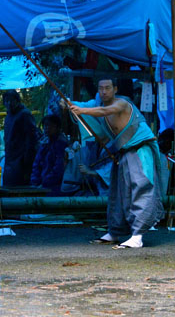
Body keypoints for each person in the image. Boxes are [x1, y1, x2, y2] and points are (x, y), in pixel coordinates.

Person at [69, 77, 167, 249]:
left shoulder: (121, 103)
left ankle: (138, 235)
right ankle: (116, 231)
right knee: (118, 193)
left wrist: (82, 110)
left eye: (107, 88)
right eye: (100, 88)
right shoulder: (98, 107)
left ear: (115, 88)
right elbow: (90, 110)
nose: (104, 91)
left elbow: (103, 111)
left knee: (141, 187)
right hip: (123, 152)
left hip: (139, 150)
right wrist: (68, 104)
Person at [2, 90, 39, 187]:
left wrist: (27, 159)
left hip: (21, 158)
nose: (9, 103)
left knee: (19, 186)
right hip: (10, 156)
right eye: (6, 101)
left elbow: (31, 138)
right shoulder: (9, 115)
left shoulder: (25, 114)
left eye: (11, 100)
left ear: (17, 101)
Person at [30, 115, 68, 195]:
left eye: (50, 125)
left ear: (57, 127)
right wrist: (35, 181)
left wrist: (45, 182)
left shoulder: (61, 144)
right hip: (40, 184)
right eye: (45, 125)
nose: (47, 128)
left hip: (56, 186)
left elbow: (59, 168)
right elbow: (36, 164)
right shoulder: (44, 143)